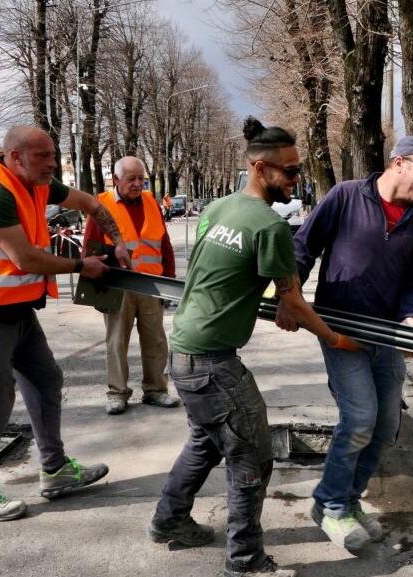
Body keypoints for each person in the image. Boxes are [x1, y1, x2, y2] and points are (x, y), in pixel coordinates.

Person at [149, 117, 360, 577]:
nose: (297, 179)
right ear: (261, 169)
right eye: (290, 171)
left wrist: (278, 300)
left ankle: (169, 522)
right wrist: (336, 338)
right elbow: (293, 301)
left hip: (182, 347)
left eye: (298, 170)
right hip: (211, 362)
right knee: (252, 456)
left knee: (206, 442)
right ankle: (245, 562)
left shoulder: (217, 209)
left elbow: (234, 275)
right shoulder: (269, 226)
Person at [0, 125, 131, 521]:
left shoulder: (39, 184)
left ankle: (56, 470)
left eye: (51, 154)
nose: (51, 163)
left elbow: (93, 204)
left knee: (46, 381)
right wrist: (83, 265)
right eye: (42, 156)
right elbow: (25, 259)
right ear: (15, 157)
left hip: (17, 311)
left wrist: (117, 240)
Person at [279, 135, 413, 551]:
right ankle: (331, 505)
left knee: (386, 425)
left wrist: (412, 317)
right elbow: (303, 247)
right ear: (399, 162)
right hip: (340, 330)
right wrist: (287, 295)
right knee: (358, 419)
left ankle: (348, 503)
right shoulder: (346, 196)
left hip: (388, 335)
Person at [83, 156, 180, 415]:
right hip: (117, 287)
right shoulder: (101, 205)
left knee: (156, 341)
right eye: (132, 179)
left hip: (151, 286)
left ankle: (156, 390)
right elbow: (89, 249)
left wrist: (168, 279)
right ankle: (117, 393)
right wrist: (94, 292)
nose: (138, 184)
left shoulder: (151, 202)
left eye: (141, 179)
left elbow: (164, 244)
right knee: (116, 342)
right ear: (116, 180)